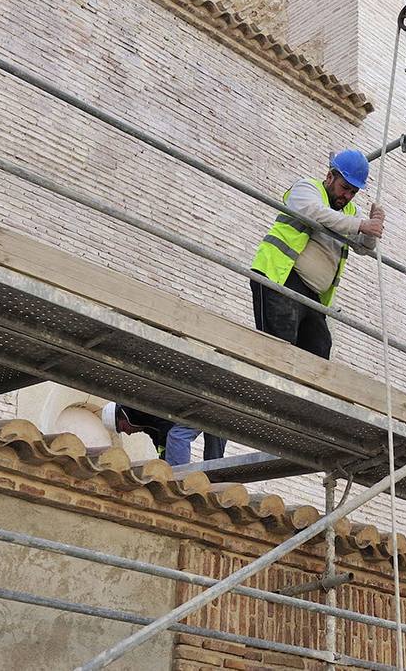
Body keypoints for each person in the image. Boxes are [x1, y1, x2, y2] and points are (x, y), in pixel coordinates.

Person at [161, 149, 384, 465]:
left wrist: (373, 227)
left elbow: (363, 246)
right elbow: (311, 212)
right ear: (330, 176)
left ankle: (297, 422)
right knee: (277, 351)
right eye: (344, 187)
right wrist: (361, 224)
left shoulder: (348, 211)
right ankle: (258, 410)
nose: (346, 194)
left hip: (312, 299)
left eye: (353, 191)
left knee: (318, 357)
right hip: (280, 280)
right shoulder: (308, 189)